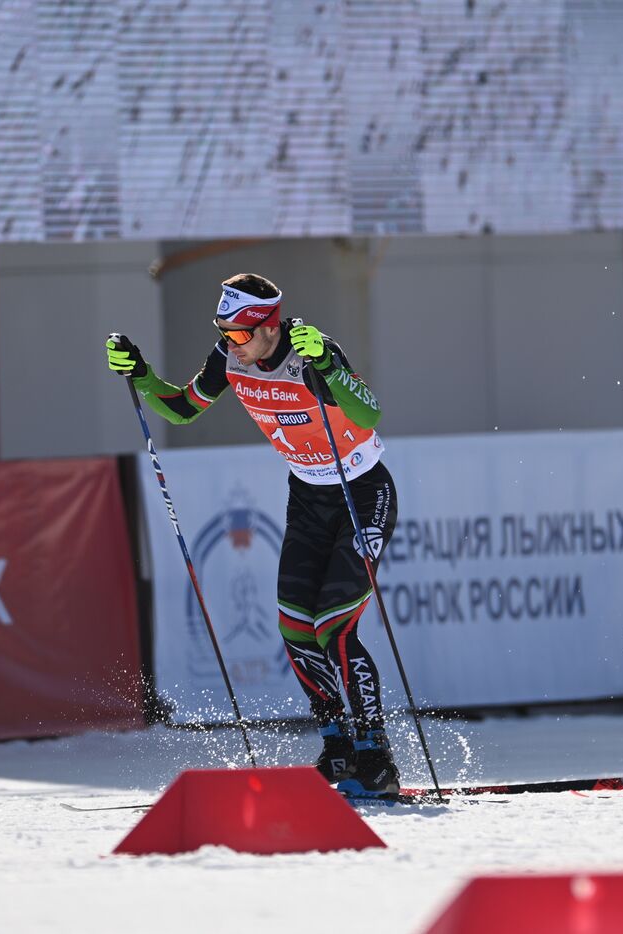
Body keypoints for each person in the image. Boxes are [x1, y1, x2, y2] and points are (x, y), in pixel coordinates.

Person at [105, 274, 401, 796]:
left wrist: (329, 367)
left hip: (362, 490)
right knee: (294, 626)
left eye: (240, 335)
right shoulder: (228, 359)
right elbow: (180, 408)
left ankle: (375, 751)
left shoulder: (311, 351)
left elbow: (369, 412)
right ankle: (336, 744)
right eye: (223, 333)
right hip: (309, 496)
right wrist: (144, 376)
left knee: (334, 624)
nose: (231, 346)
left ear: (269, 326)